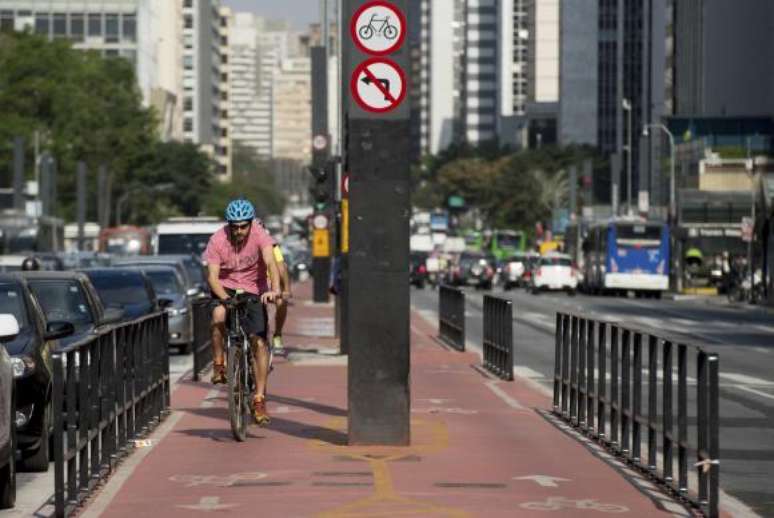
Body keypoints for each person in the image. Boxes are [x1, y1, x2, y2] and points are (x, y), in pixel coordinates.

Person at [203, 198, 281, 426]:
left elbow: (271, 263)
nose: (239, 231)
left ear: (250, 223)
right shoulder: (217, 239)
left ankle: (259, 398)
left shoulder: (259, 234)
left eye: (243, 226)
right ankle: (219, 364)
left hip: (254, 287)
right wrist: (226, 300)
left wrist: (274, 290)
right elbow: (212, 277)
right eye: (234, 226)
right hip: (225, 286)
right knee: (218, 315)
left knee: (258, 342)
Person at [270, 243, 291, 353]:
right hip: (250, 282)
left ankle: (277, 334)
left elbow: (282, 267)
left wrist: (287, 289)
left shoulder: (272, 246)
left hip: (270, 281)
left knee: (281, 303)